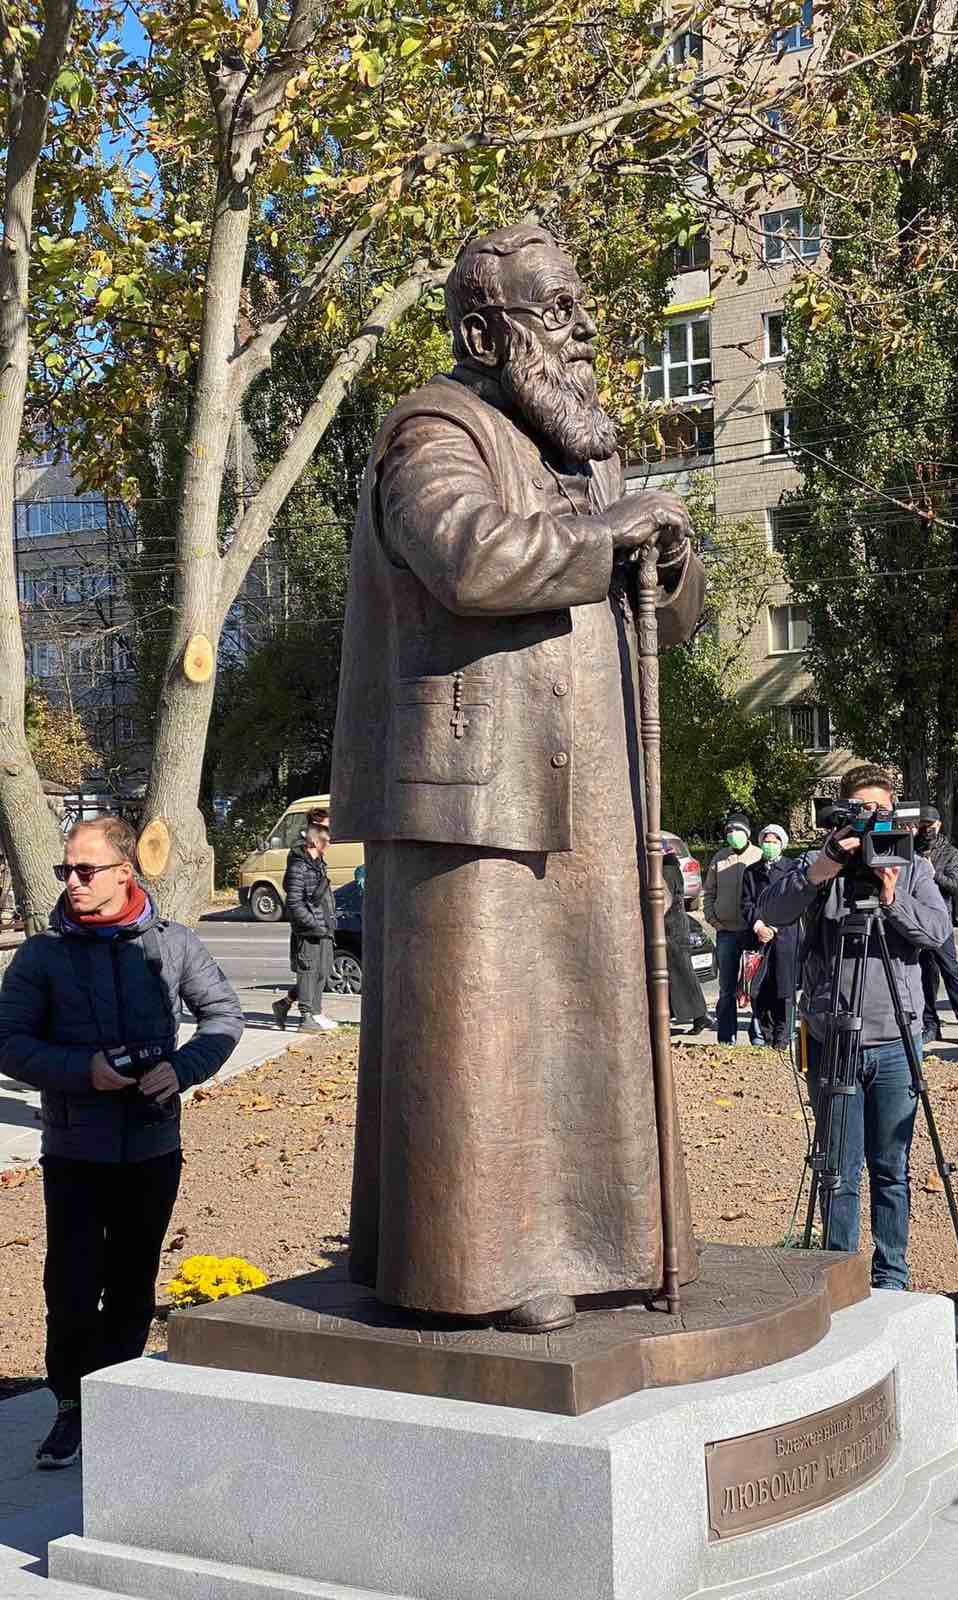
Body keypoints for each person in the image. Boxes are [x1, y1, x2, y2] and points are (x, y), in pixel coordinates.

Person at [330, 225, 705, 1333]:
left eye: (582, 306)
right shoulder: (432, 428)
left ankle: (609, 1242)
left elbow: (666, 616)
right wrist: (609, 532)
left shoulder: (586, 454)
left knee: (594, 1015)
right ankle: (481, 1268)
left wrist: (669, 555)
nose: (582, 330)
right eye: (557, 309)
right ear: (486, 333)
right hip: (476, 793)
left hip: (591, 789)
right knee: (480, 1034)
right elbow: (468, 555)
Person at [0, 814, 243, 1469]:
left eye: (86, 870)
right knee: (71, 1288)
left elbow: (223, 1016)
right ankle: (70, 1408)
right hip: (75, 1153)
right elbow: (8, 1042)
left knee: (134, 1283)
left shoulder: (173, 944)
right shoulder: (42, 955)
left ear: (124, 872)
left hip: (153, 1149)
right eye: (66, 871)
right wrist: (84, 1070)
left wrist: (183, 1069)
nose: (72, 882)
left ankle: (117, 1398)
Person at [757, 764, 950, 1289]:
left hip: (895, 1039)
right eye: (861, 810)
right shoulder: (818, 864)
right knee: (838, 1170)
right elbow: (771, 910)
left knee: (892, 1168)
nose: (872, 821)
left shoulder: (912, 867)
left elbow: (937, 932)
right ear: (842, 814)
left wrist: (892, 897)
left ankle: (891, 1276)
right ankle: (840, 1275)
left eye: (881, 811)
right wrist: (823, 868)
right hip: (833, 1037)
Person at [913, 807, 958, 1048]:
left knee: (951, 972)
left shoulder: (950, 852)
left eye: (930, 826)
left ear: (939, 825)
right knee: (926, 975)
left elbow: (956, 886)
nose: (926, 830)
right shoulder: (911, 849)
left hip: (940, 921)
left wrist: (934, 874)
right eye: (922, 826)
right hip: (918, 919)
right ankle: (931, 1025)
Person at [273, 809, 338, 1033]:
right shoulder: (298, 864)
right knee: (308, 972)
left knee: (322, 972)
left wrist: (329, 921)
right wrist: (313, 924)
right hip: (309, 930)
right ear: (315, 836)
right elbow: (294, 903)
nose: (330, 840)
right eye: (327, 832)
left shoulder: (318, 862)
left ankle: (302, 1009)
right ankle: (306, 1017)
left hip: (324, 926)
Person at [702, 812, 764, 1046]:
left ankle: (758, 1036)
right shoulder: (719, 858)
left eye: (736, 830)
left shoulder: (758, 855)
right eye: (728, 831)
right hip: (726, 931)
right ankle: (726, 1037)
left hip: (752, 931)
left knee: (755, 986)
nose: (732, 834)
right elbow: (709, 892)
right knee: (726, 988)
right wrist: (713, 919)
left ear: (747, 833)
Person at [741, 823, 801, 1050]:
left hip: (785, 937)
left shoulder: (792, 869)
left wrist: (774, 927)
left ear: (782, 844)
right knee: (760, 988)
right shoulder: (751, 871)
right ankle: (765, 1036)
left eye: (775, 841)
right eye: (766, 841)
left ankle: (782, 1038)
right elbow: (746, 903)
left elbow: (794, 901)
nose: (770, 845)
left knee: (784, 988)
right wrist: (758, 926)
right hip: (758, 939)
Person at [664, 841, 711, 1034]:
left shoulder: (667, 870)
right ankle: (696, 1015)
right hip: (672, 926)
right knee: (678, 973)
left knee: (681, 973)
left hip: (672, 928)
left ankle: (700, 1015)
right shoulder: (670, 867)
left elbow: (665, 900)